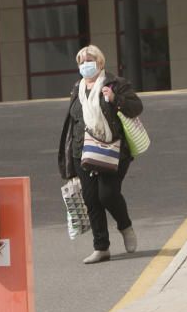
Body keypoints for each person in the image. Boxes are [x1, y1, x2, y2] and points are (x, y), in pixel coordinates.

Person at [58, 44, 143, 264]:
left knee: (107, 194)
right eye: (81, 61)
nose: (85, 64)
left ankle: (125, 227)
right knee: (91, 199)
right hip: (82, 150)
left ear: (100, 62)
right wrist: (68, 158)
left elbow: (136, 107)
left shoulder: (115, 84)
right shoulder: (76, 88)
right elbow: (73, 121)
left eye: (89, 60)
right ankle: (101, 247)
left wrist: (115, 99)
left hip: (112, 149)